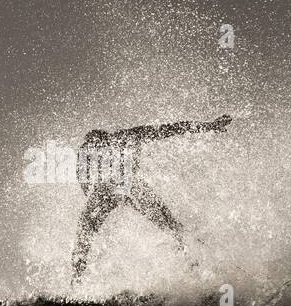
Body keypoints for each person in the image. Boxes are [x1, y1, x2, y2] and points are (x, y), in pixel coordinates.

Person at [71, 114, 232, 281]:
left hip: (120, 188)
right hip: (126, 187)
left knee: (85, 231)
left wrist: (209, 126)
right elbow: (171, 129)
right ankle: (193, 264)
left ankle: (76, 278)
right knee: (170, 225)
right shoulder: (124, 137)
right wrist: (209, 126)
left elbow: (170, 129)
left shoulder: (123, 138)